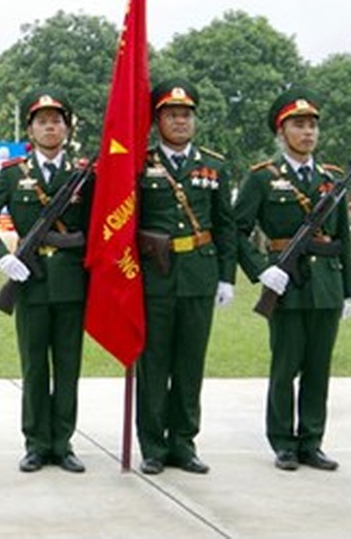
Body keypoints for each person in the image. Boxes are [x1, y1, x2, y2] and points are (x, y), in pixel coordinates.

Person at [0, 89, 92, 474]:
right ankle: (37, 444)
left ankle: (63, 442)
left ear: (67, 128)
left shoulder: (85, 173)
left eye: (57, 120)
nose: (50, 126)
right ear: (30, 129)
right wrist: (3, 257)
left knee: (68, 366)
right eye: (42, 121)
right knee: (35, 366)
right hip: (31, 281)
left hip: (73, 283)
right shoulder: (13, 174)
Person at [234, 88, 351, 472]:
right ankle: (283, 441)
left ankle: (311, 442)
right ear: (281, 131)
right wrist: (260, 269)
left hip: (327, 285)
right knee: (285, 366)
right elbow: (235, 230)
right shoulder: (263, 178)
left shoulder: (331, 178)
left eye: (312, 126)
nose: (307, 133)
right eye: (298, 125)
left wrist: (349, 291)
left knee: (319, 367)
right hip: (286, 284)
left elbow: (344, 238)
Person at [135, 81, 237, 475]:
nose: (180, 120)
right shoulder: (141, 164)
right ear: (158, 120)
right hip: (154, 277)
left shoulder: (214, 165)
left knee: (190, 364)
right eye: (171, 114)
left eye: (186, 114)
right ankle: (153, 446)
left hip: (199, 273)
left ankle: (184, 443)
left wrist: (226, 276)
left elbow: (226, 227)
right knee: (155, 363)